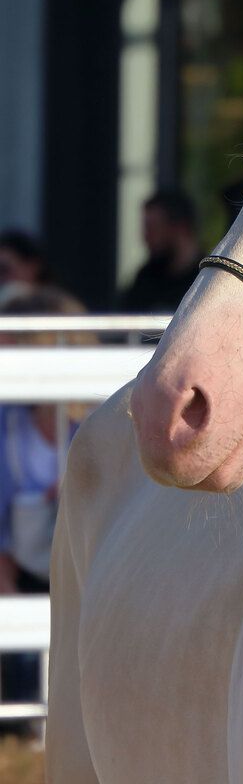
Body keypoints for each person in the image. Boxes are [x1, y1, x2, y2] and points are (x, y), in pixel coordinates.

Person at [0, 285, 91, 711]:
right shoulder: (9, 422)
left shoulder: (97, 425)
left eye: (13, 340)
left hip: (81, 567)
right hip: (21, 568)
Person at [119, 190, 203, 313]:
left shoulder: (206, 278)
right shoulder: (146, 278)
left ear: (181, 228)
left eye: (153, 228)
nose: (146, 237)